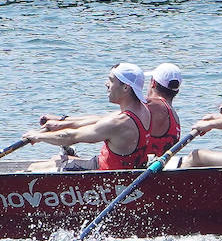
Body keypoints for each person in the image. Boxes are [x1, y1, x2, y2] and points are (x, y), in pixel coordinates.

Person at [21, 63, 152, 171]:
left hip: (105, 175)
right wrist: (62, 122)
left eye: (111, 80)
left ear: (125, 87)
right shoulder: (142, 110)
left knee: (33, 168)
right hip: (114, 166)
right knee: (56, 160)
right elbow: (99, 119)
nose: (106, 84)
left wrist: (37, 136)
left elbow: (70, 137)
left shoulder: (119, 123)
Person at [144, 62, 183, 158]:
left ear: (153, 83)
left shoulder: (152, 105)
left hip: (144, 168)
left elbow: (118, 118)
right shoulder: (174, 115)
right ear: (176, 91)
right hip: (160, 167)